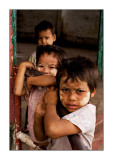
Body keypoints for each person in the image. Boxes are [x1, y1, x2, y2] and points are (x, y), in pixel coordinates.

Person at [14, 45, 66, 149]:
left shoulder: (56, 86)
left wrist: (31, 80)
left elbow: (54, 79)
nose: (45, 70)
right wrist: (23, 66)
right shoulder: (33, 88)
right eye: (41, 66)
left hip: (52, 140)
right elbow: (17, 91)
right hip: (34, 137)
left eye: (51, 67)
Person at [42, 56, 98, 150]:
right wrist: (38, 115)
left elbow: (52, 130)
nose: (71, 97)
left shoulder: (87, 113)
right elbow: (41, 137)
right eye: (65, 89)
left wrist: (50, 103)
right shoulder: (59, 105)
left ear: (93, 92)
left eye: (79, 91)